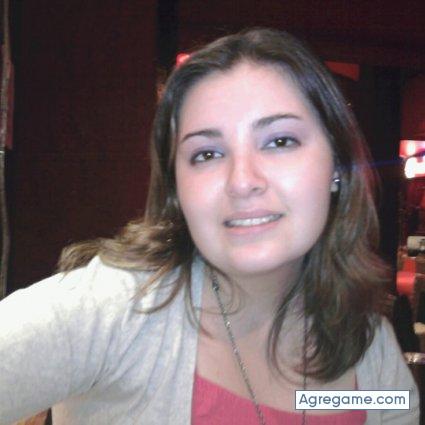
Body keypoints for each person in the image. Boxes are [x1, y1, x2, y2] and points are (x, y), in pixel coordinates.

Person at [0, 28, 419, 425]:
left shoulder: (369, 346)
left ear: (337, 166)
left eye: (279, 141)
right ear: (177, 189)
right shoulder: (115, 311)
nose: (242, 181)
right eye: (207, 154)